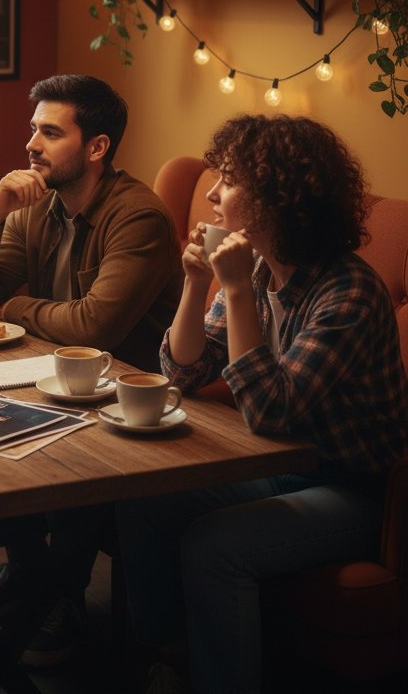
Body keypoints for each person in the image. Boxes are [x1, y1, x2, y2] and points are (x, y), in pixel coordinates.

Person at [116, 114, 408, 694]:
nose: (214, 192)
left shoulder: (347, 292)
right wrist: (197, 285)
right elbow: (182, 370)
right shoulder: (253, 270)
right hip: (279, 469)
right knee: (140, 499)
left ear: (279, 197)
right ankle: (164, 658)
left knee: (213, 546)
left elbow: (271, 411)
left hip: (353, 490)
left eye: (231, 179)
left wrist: (228, 288)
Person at [0, 73, 183, 667]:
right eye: (34, 129)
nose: (31, 144)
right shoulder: (35, 207)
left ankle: (60, 596)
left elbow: (94, 327)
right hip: (53, 384)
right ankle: (30, 572)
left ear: (96, 147)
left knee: (61, 450)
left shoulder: (139, 217)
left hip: (128, 402)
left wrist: (19, 308)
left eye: (50, 133)